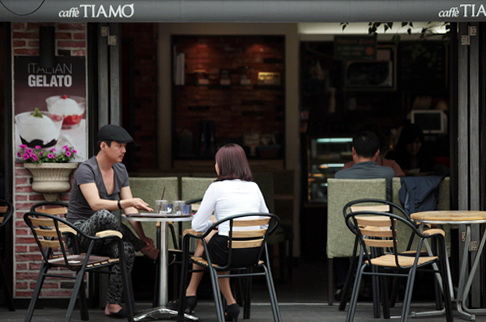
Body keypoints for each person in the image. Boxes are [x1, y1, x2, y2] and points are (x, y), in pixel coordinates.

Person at [168, 143, 269, 321]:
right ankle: (195, 296)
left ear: (223, 165)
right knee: (212, 240)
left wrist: (214, 225)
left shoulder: (216, 187)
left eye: (216, 162)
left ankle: (197, 297)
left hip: (226, 253)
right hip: (253, 254)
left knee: (208, 240)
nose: (215, 165)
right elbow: (265, 223)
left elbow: (197, 225)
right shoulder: (254, 187)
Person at [66, 124, 159, 318]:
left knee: (125, 249)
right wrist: (128, 203)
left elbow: (129, 208)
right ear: (103, 146)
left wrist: (144, 236)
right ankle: (140, 246)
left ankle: (113, 304)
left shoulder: (120, 169)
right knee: (103, 215)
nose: (124, 151)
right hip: (79, 236)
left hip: (103, 238)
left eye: (125, 146)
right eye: (119, 146)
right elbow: (95, 204)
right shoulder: (86, 169)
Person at [333, 131, 395, 300]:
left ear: (353, 151)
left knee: (339, 230)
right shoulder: (388, 174)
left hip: (349, 235)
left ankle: (342, 286)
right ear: (377, 153)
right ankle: (382, 286)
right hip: (381, 236)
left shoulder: (340, 176)